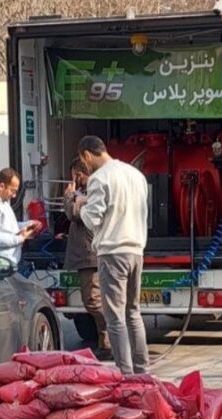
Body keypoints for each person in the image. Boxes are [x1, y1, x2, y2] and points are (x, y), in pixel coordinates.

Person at [77, 135, 149, 375]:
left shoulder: (100, 178)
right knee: (133, 312)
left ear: (87, 155)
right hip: (136, 251)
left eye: (83, 161)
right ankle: (142, 371)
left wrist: (81, 205)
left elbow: (92, 219)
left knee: (115, 317)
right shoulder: (136, 175)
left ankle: (125, 374)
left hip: (112, 252)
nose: (85, 166)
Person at [63, 157, 110, 354]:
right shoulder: (86, 193)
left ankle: (110, 334)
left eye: (76, 176)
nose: (74, 180)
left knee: (92, 299)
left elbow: (73, 213)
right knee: (93, 299)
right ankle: (105, 339)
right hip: (86, 253)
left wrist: (68, 196)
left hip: (89, 254)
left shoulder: (91, 194)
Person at [0, 168, 42, 264]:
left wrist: (28, 225)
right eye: (12, 191)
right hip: (0, 263)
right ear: (1, 186)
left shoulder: (2, 203)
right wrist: (19, 238)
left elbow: (9, 227)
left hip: (9, 261)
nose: (14, 195)